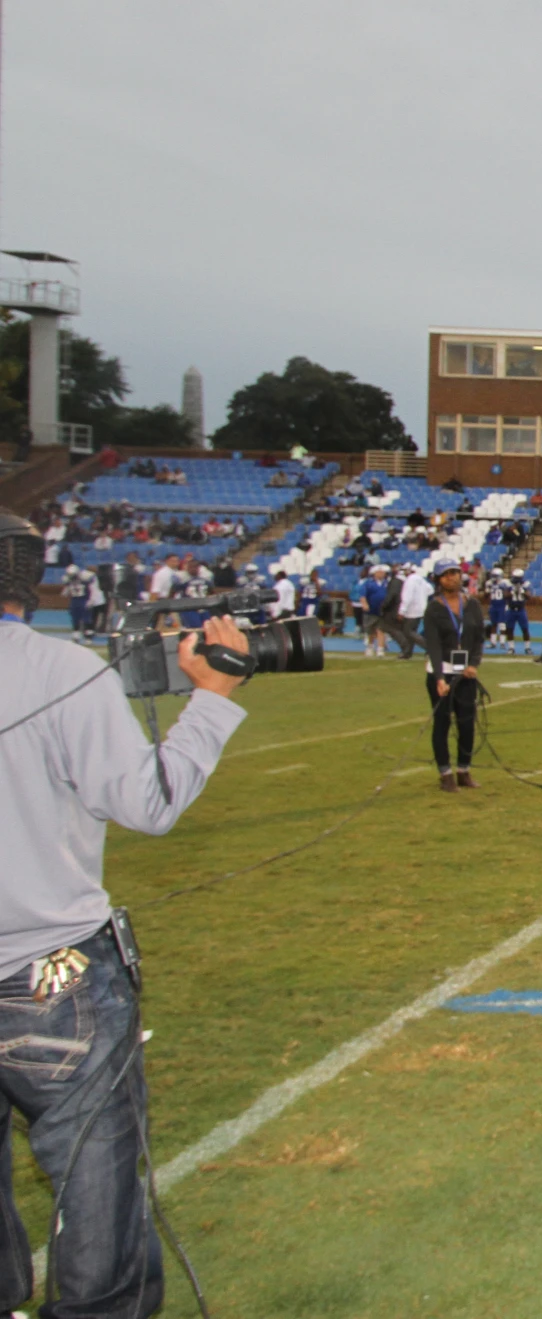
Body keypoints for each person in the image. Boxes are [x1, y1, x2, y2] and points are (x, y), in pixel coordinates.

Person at [0, 508, 251, 1318]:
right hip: (53, 970)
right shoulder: (59, 670)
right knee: (95, 1177)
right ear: (32, 575)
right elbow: (150, 801)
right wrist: (212, 696)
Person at [421, 560, 487, 791]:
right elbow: (433, 645)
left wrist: (474, 664)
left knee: (467, 723)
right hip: (442, 672)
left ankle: (464, 770)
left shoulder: (472, 605)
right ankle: (445, 774)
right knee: (442, 723)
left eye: (455, 573)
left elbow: (478, 638)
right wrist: (440, 678)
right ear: (438, 580)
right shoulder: (434, 608)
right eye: (446, 574)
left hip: (465, 674)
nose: (452, 578)